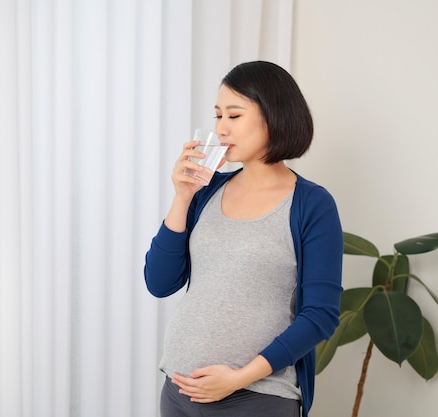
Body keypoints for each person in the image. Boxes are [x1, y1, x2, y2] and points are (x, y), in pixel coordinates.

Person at [144, 61, 343, 417]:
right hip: (178, 393)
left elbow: (320, 315)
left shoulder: (311, 204)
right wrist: (182, 197)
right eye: (217, 116)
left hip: (257, 398)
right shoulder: (207, 191)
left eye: (234, 116)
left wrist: (239, 378)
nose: (221, 128)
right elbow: (159, 283)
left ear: (274, 116)